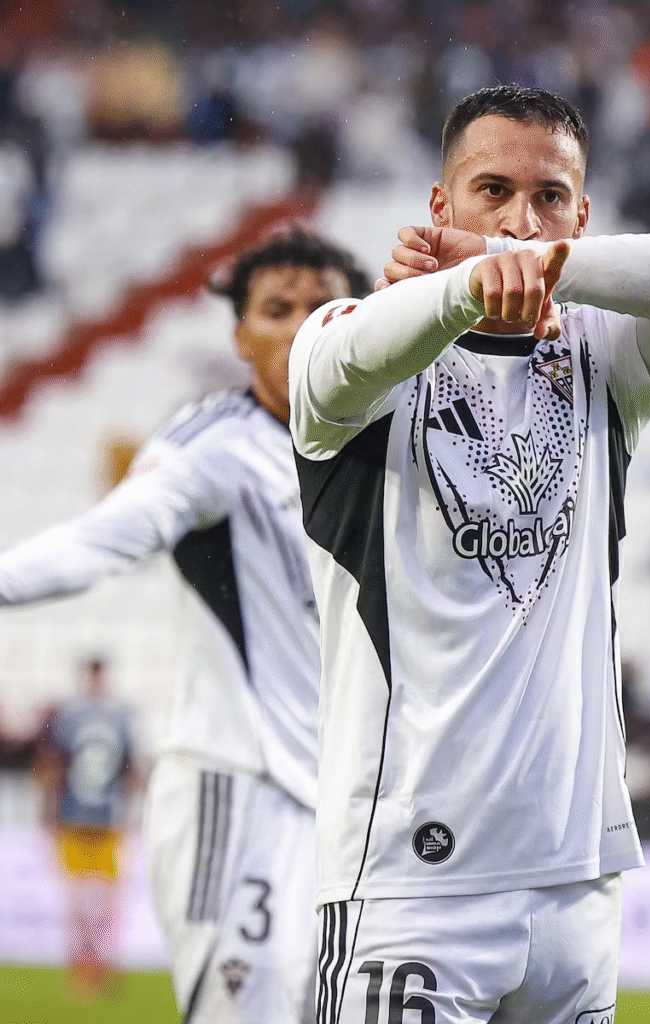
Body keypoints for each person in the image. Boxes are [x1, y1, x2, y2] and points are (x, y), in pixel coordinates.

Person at [289, 85, 650, 1023]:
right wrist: (462, 287)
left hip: (576, 878)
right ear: (439, 207)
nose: (518, 218)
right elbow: (337, 367)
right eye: (492, 191)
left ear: (582, 217)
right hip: (411, 887)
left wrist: (539, 265)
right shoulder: (355, 345)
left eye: (549, 198)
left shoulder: (605, 357)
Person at [0, 225, 371, 1024]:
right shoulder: (217, 446)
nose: (305, 325)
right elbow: (100, 540)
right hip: (237, 793)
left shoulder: (387, 456)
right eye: (278, 309)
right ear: (241, 335)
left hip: (350, 808)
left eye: (326, 305)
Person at [34, 655, 138, 997]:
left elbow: (130, 767)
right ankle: (80, 963)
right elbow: (53, 764)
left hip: (107, 818)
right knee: (78, 901)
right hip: (75, 817)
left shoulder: (117, 717)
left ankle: (100, 963)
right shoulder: (72, 716)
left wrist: (131, 810)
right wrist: (49, 811)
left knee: (106, 902)